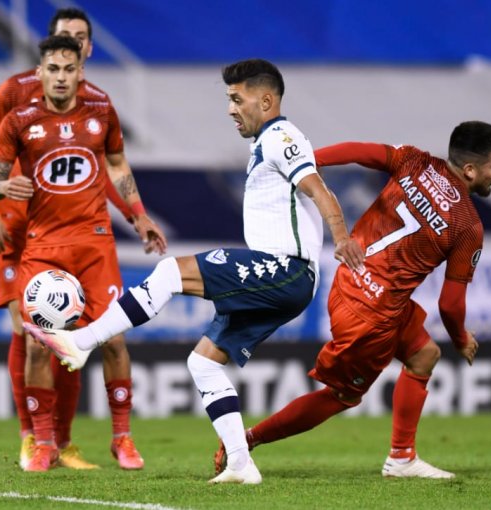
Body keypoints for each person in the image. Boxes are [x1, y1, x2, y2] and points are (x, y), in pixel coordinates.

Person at [26, 58, 364, 484]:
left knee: (170, 272)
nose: (230, 109)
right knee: (203, 364)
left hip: (286, 270)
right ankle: (242, 464)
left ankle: (81, 342)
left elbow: (318, 188)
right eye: (228, 99)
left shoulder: (281, 136)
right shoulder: (265, 142)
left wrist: (342, 236)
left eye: (236, 99)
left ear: (266, 99)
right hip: (282, 281)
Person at [213, 122, 491, 479]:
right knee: (342, 396)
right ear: (471, 170)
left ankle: (403, 456)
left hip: (351, 277)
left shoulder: (415, 161)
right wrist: (462, 338)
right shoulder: (468, 226)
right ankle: (247, 440)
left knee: (424, 355)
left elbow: (358, 151)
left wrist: (307, 163)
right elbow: (450, 306)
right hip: (372, 314)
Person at [0, 8, 161, 471]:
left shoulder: (99, 106)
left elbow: (110, 166)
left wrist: (137, 214)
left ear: (84, 55)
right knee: (31, 334)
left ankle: (76, 441)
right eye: (56, 57)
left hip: (89, 238)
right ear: (44, 60)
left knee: (93, 336)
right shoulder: (15, 100)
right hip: (21, 230)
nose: (62, 70)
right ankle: (34, 438)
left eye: (75, 50)